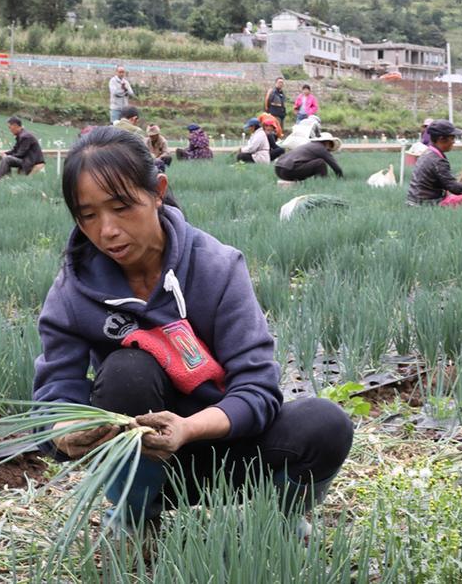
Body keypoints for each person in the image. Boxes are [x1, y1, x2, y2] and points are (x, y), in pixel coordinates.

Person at [33, 127, 353, 533]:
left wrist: (188, 428)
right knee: (127, 371)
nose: (107, 230)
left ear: (158, 191)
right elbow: (54, 396)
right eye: (88, 215)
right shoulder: (73, 292)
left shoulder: (216, 267)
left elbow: (257, 389)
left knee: (326, 424)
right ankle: (134, 518)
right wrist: (65, 432)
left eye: (122, 207)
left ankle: (279, 518)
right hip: (149, 462)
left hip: (230, 444)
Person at [407, 121, 462, 207]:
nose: (453, 142)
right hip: (426, 204)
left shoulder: (427, 154)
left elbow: (447, 184)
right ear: (441, 139)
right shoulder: (437, 160)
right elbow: (455, 188)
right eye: (452, 138)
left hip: (415, 202)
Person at [273, 133, 343, 182]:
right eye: (330, 145)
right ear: (327, 142)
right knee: (320, 163)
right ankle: (322, 183)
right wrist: (341, 177)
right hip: (289, 170)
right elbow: (334, 165)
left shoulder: (309, 145)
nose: (329, 149)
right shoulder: (321, 148)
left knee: (316, 163)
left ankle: (317, 182)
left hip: (278, 170)